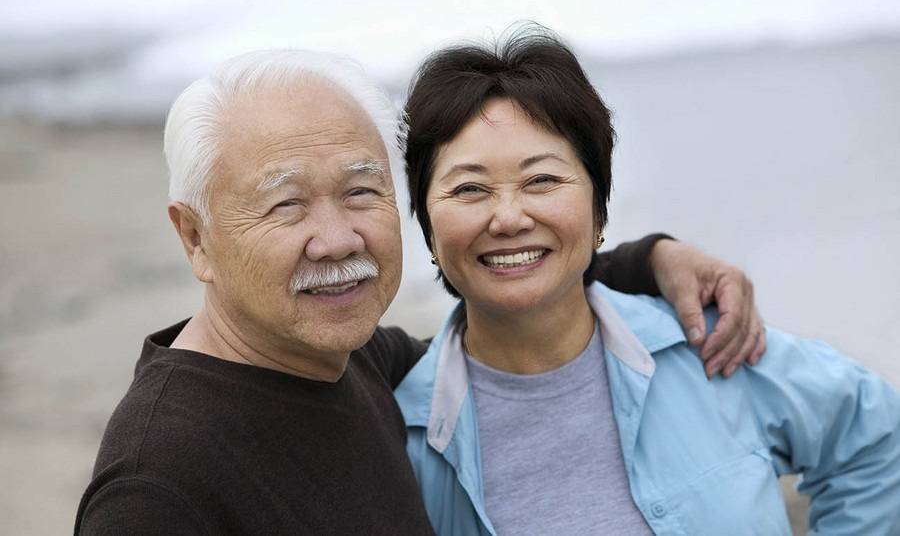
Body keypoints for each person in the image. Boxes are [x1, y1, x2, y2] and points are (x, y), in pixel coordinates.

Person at [75, 49, 765, 535]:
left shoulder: (358, 362)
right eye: (286, 206)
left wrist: (651, 261)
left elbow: (504, 320)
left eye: (361, 191)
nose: (338, 238)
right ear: (195, 239)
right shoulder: (156, 485)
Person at [395, 26, 900, 535]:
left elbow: (875, 436)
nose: (508, 218)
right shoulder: (403, 434)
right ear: (427, 225)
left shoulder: (710, 345)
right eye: (470, 188)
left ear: (598, 210)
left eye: (542, 180)